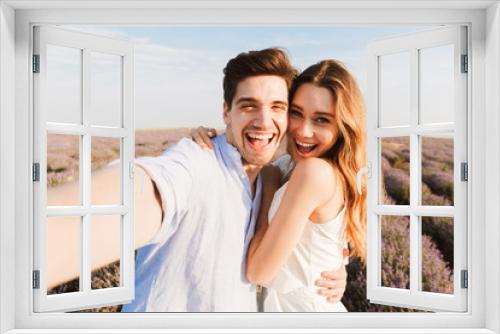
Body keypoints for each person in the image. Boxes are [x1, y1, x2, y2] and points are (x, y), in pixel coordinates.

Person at [46, 48, 348, 312]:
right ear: (226, 112)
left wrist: (338, 266)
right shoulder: (196, 161)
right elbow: (154, 187)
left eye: (279, 108)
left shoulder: (281, 171)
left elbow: (320, 238)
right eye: (248, 106)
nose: (265, 121)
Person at [192, 59, 366, 312]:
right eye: (296, 113)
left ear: (342, 126)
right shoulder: (294, 165)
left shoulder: (313, 172)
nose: (303, 131)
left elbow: (259, 272)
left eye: (322, 120)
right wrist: (216, 138)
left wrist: (269, 187)